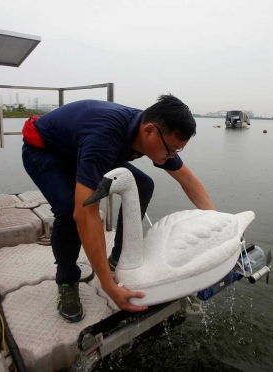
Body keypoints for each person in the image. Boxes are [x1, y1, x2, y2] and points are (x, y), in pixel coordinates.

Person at [21, 94, 214, 323]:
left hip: (81, 148)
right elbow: (85, 214)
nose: (171, 156)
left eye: (177, 152)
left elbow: (188, 180)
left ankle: (117, 259)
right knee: (69, 209)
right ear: (150, 131)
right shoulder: (104, 138)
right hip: (45, 150)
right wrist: (109, 287)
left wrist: (219, 221)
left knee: (143, 184)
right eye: (171, 150)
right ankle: (67, 280)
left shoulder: (153, 134)